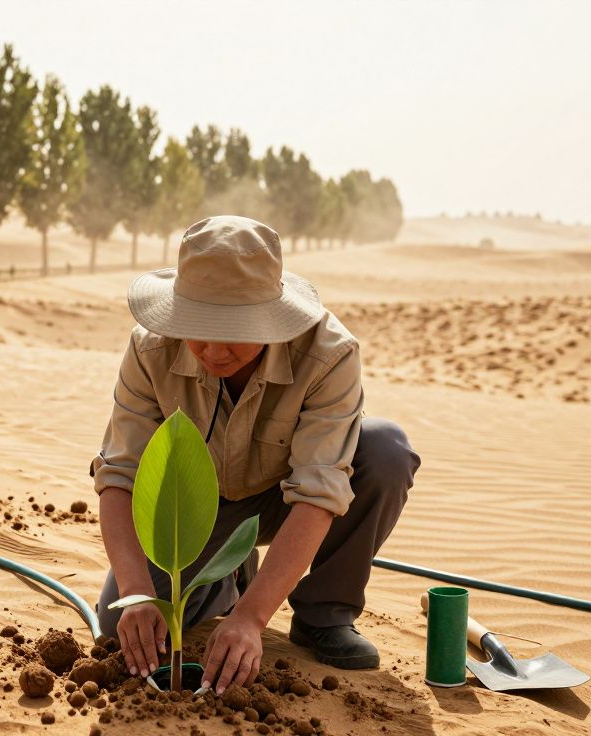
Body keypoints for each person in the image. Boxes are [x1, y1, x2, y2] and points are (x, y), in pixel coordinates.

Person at [90, 215, 421, 695]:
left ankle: (324, 614)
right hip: (190, 509)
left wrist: (251, 619)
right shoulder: (149, 350)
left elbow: (318, 493)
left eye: (233, 332)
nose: (213, 350)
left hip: (281, 504)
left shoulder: (329, 355)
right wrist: (138, 592)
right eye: (197, 329)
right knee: (117, 622)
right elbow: (120, 473)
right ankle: (228, 579)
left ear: (271, 320)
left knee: (385, 450)